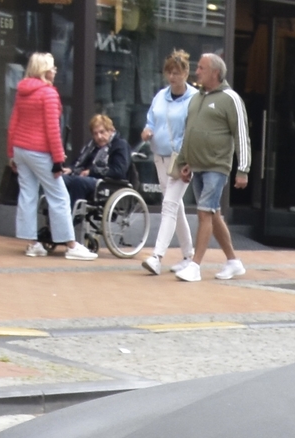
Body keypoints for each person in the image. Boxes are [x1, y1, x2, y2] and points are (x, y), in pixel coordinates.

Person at [172, 51, 249, 282]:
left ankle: (195, 266)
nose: (196, 72)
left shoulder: (231, 98)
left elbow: (242, 135)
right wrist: (183, 162)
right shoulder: (196, 98)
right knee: (213, 214)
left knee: (204, 212)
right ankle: (233, 262)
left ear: (215, 72)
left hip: (217, 166)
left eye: (201, 69)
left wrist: (243, 169)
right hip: (197, 165)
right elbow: (189, 132)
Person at [10, 51, 95, 260]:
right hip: (39, 151)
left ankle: (33, 243)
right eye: (53, 67)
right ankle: (71, 244)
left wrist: (11, 153)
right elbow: (52, 130)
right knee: (59, 195)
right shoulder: (48, 93)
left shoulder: (22, 91)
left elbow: (13, 123)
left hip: (21, 149)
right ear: (44, 70)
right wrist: (58, 160)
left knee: (28, 194)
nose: (55, 70)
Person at [138, 50, 193, 275]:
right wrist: (147, 130)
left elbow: (194, 130)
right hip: (160, 157)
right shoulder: (161, 96)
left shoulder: (194, 99)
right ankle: (189, 255)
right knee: (175, 206)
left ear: (186, 73)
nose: (172, 77)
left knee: (169, 205)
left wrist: (189, 159)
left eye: (177, 73)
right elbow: (151, 119)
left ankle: (157, 256)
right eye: (169, 72)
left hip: (181, 159)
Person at [65, 113, 129, 209]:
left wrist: (92, 171)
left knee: (78, 182)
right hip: (87, 178)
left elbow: (118, 171)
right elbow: (79, 163)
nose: (99, 137)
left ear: (111, 130)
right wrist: (70, 169)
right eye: (95, 133)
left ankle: (70, 217)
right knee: (61, 179)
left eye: (102, 132)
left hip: (107, 183)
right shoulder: (91, 146)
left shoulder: (120, 145)